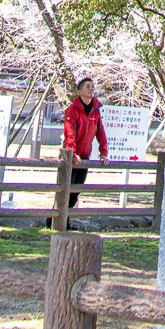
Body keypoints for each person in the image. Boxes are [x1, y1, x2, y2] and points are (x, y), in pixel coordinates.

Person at [60, 74, 107, 223]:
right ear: (79, 92)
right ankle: (56, 220)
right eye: (88, 86)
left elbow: (100, 131)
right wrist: (72, 153)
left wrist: (103, 152)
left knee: (76, 191)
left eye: (92, 86)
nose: (91, 89)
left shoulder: (95, 109)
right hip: (70, 156)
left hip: (85, 156)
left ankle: (64, 219)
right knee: (65, 189)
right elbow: (69, 132)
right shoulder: (72, 110)